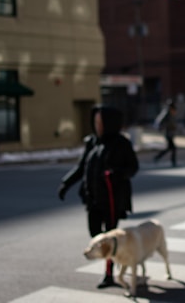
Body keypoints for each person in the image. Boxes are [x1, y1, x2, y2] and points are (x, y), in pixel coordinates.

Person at [57, 105, 139, 289]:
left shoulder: (121, 143)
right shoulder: (92, 142)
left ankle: (109, 274)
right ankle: (113, 261)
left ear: (109, 123)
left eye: (100, 122)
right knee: (95, 234)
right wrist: (66, 183)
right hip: (92, 198)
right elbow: (81, 168)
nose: (97, 126)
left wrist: (117, 173)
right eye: (95, 122)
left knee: (109, 237)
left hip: (112, 199)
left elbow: (133, 167)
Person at [154, 101, 178, 167]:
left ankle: (157, 157)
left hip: (171, 133)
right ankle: (173, 162)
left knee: (169, 148)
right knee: (173, 148)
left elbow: (173, 123)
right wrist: (167, 126)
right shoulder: (167, 114)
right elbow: (161, 123)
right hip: (168, 134)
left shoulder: (171, 114)